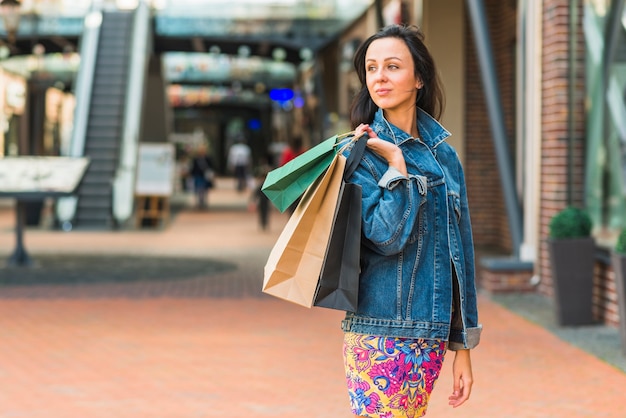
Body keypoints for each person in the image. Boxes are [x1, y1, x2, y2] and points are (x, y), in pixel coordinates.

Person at [340, 24, 481, 417]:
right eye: (371, 68)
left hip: (431, 335)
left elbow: (460, 256)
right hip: (379, 332)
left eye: (392, 66)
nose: (379, 77)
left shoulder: (445, 157)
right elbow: (386, 237)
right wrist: (397, 165)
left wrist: (463, 347)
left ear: (419, 78)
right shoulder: (361, 155)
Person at [189, 144, 215, 209]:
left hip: (205, 175)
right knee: (199, 188)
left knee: (205, 189)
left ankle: (203, 201)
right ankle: (200, 201)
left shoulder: (207, 158)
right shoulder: (196, 158)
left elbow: (211, 166)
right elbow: (193, 167)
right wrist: (191, 174)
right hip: (198, 175)